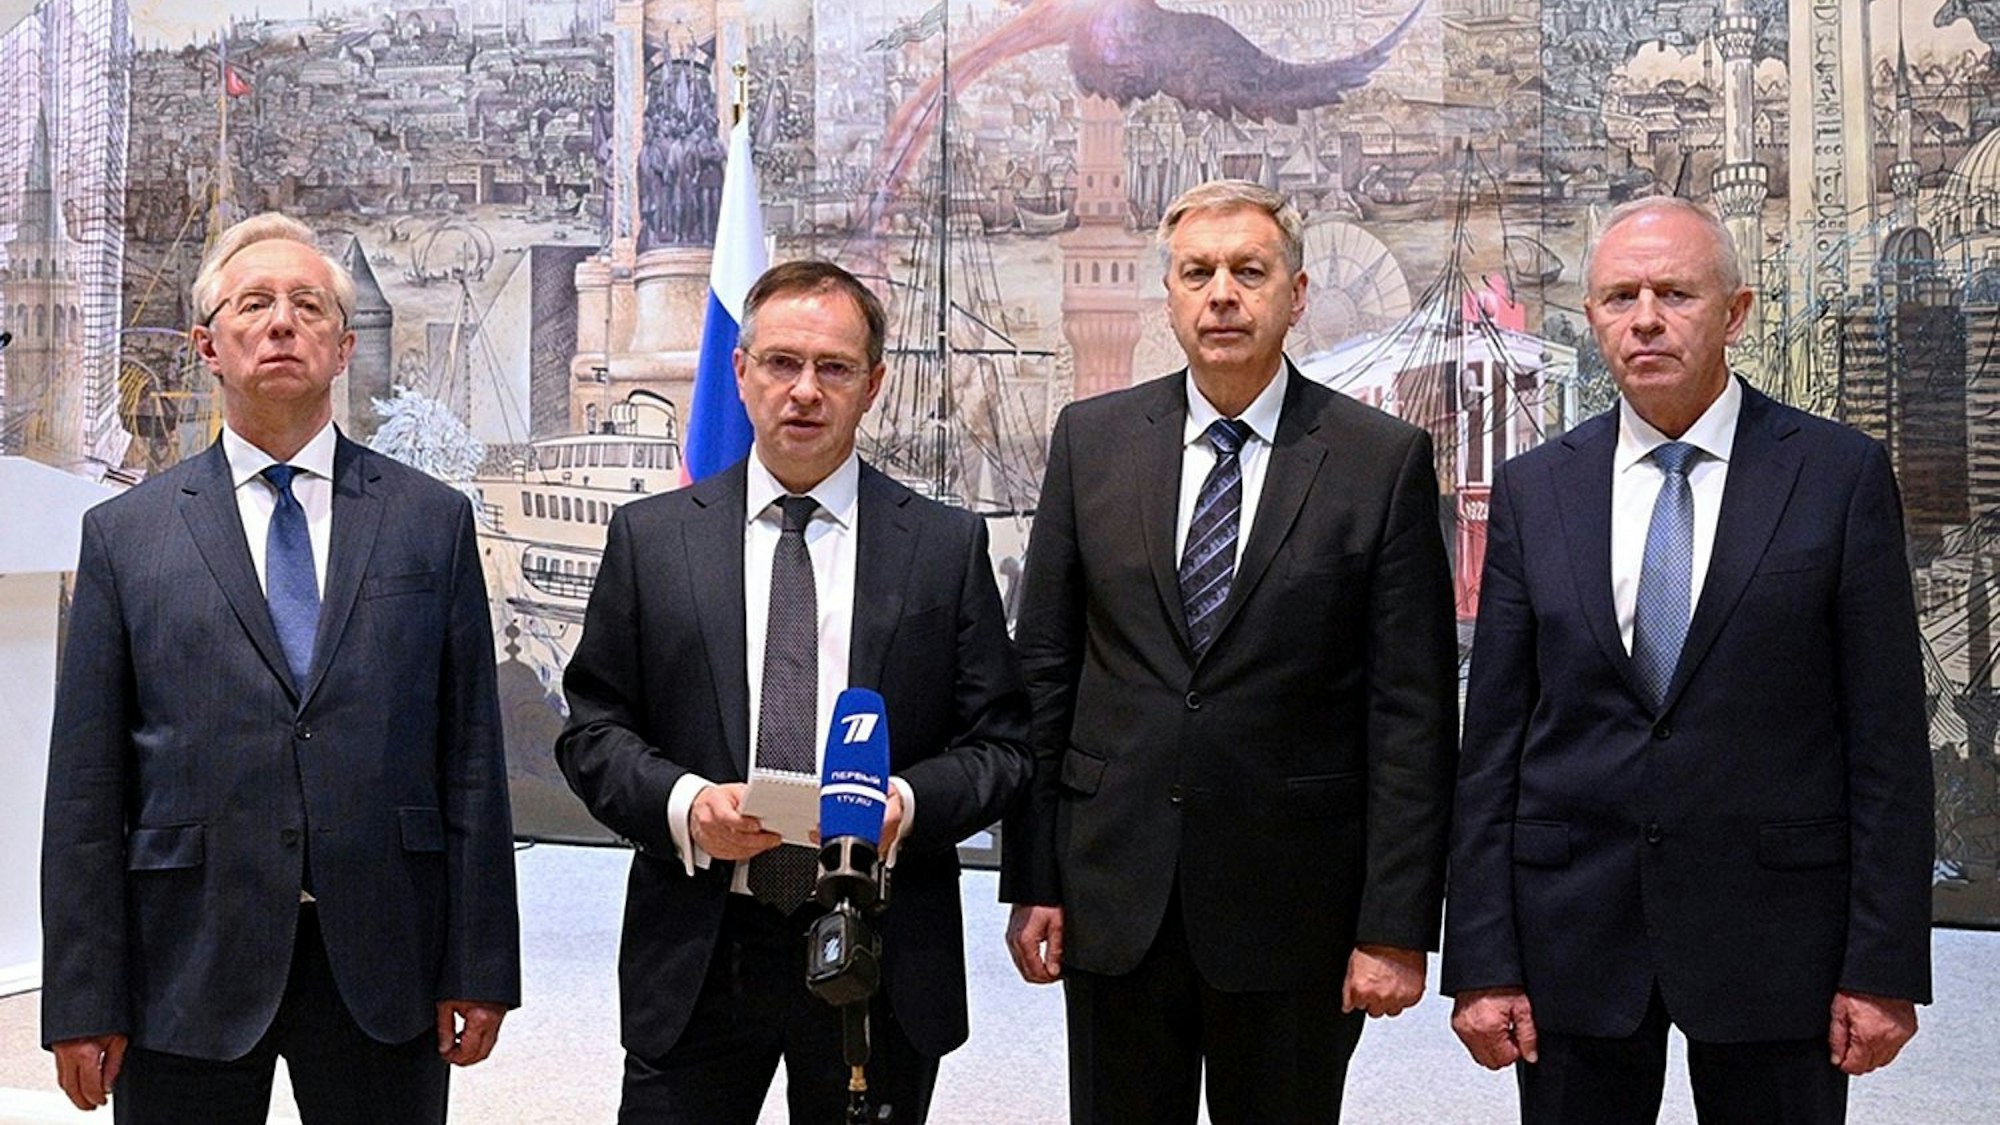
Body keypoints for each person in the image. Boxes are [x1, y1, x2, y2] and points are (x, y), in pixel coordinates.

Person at [1443, 196, 1934, 1123]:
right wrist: (1480, 961)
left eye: (1676, 292)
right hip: (1572, 937)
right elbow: (1493, 748)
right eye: (1620, 296)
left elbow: (1888, 744)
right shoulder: (1534, 490)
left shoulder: (1837, 476)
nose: (1647, 318)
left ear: (1736, 313)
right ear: (1592, 319)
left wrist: (1883, 966)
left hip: (1778, 940)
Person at [41, 212, 521, 1122]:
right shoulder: (125, 536)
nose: (281, 323)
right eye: (253, 304)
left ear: (344, 348)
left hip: (386, 956)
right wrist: (80, 996)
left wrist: (481, 961)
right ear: (206, 346)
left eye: (307, 306)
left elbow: (471, 762)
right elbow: (86, 789)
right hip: (187, 959)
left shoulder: (431, 522)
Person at [1000, 179, 1459, 1123]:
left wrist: (1395, 926)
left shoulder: (1381, 459)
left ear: (1294, 295)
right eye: (1197, 272)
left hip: (1297, 912)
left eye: (1249, 271)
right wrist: (1033, 876)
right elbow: (1044, 673)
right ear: (1167, 296)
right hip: (1114, 899)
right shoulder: (1091, 441)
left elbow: (1411, 712)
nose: (1222, 294)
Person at [555, 259, 1031, 1124]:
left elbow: (1003, 748)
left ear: (873, 384)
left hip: (876, 952)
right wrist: (688, 805)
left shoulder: (943, 547)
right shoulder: (651, 541)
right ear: (740, 373)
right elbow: (592, 733)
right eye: (780, 363)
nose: (804, 390)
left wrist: (907, 805)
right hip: (699, 952)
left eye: (833, 368)